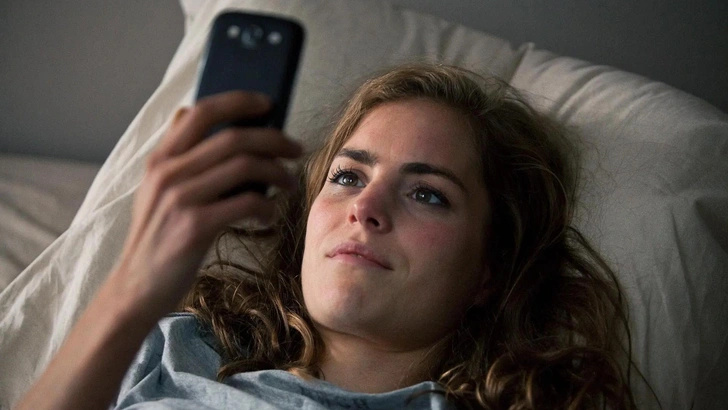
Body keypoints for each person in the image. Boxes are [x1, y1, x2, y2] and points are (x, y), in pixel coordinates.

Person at [16, 63, 641, 409]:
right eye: (346, 176)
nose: (364, 207)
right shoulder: (179, 348)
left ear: (490, 272)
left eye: (428, 193)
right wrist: (130, 295)